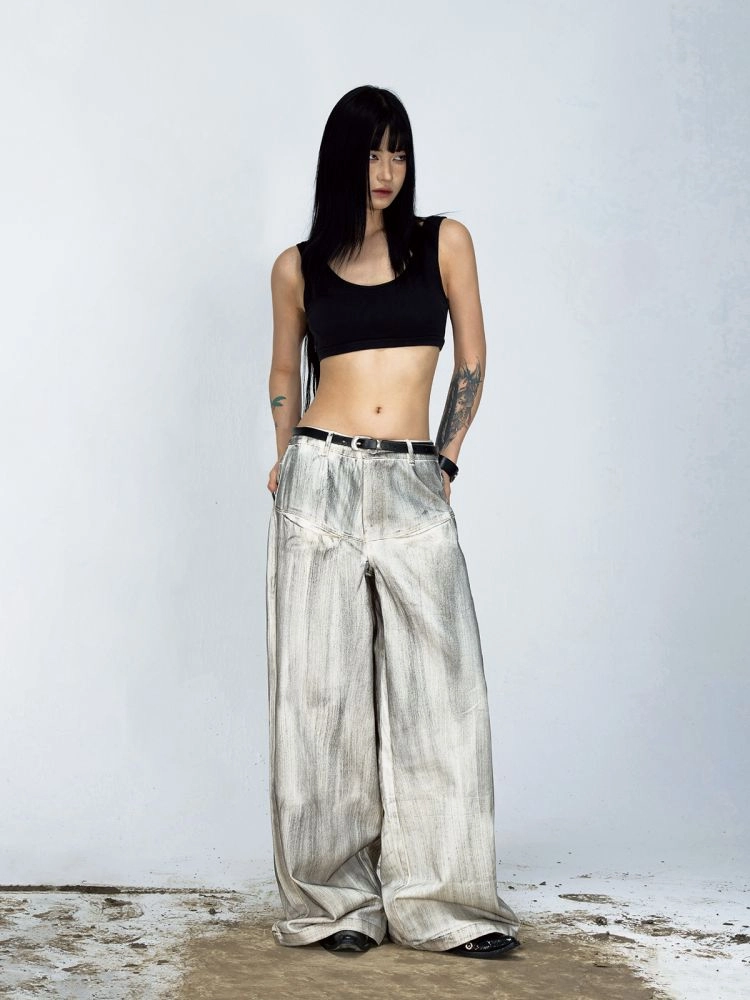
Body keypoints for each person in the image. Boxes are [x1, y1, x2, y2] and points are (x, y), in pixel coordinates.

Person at [265, 85, 521, 960]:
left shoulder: (443, 241)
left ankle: (447, 904)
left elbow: (473, 358)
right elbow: (284, 374)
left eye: (398, 151)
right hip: (319, 479)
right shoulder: (297, 266)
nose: (386, 170)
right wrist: (283, 455)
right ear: (342, 159)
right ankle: (336, 903)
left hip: (412, 477)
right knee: (319, 697)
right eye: (372, 152)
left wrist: (445, 457)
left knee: (443, 693)